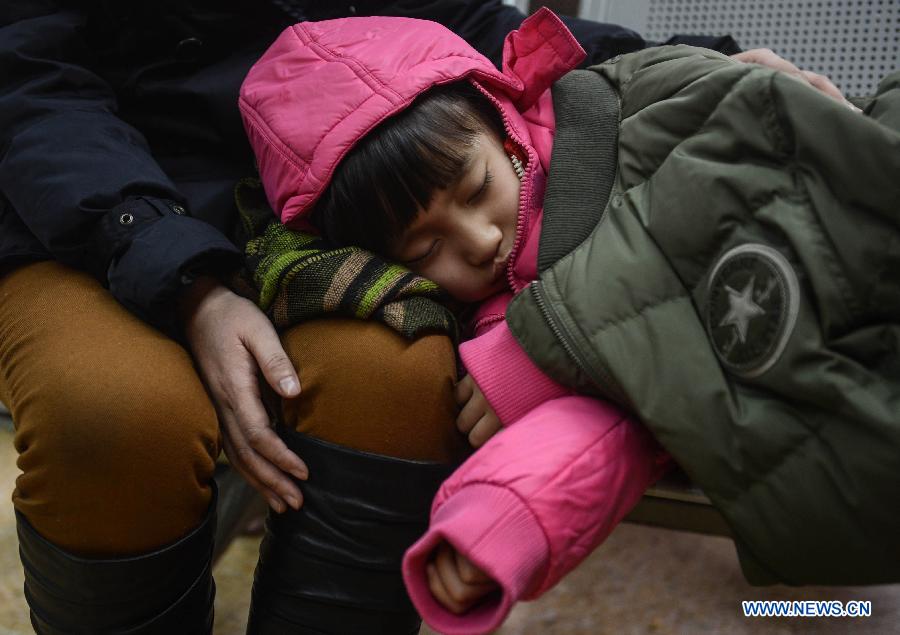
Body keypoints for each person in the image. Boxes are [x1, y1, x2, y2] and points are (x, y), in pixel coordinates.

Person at [0, 2, 749, 633]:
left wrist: (727, 71)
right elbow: (26, 78)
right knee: (111, 411)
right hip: (83, 213)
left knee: (397, 373)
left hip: (338, 217)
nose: (489, 241)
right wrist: (181, 276)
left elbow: (470, 25)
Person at [238, 8, 900, 634]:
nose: (475, 241)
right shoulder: (500, 319)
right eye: (425, 249)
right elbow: (602, 426)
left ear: (503, 125)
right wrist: (497, 521)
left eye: (476, 189)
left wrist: (545, 343)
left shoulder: (618, 106)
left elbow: (752, 162)